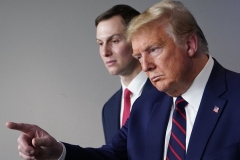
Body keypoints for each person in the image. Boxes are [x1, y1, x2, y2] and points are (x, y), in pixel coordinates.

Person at [6, 0, 240, 159]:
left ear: (189, 45)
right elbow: (112, 156)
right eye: (139, 56)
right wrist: (58, 152)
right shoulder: (147, 105)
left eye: (154, 50)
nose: (145, 65)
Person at [95, 5, 154, 144]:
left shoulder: (168, 93)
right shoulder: (109, 109)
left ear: (137, 39)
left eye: (114, 41)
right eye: (100, 43)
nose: (105, 52)